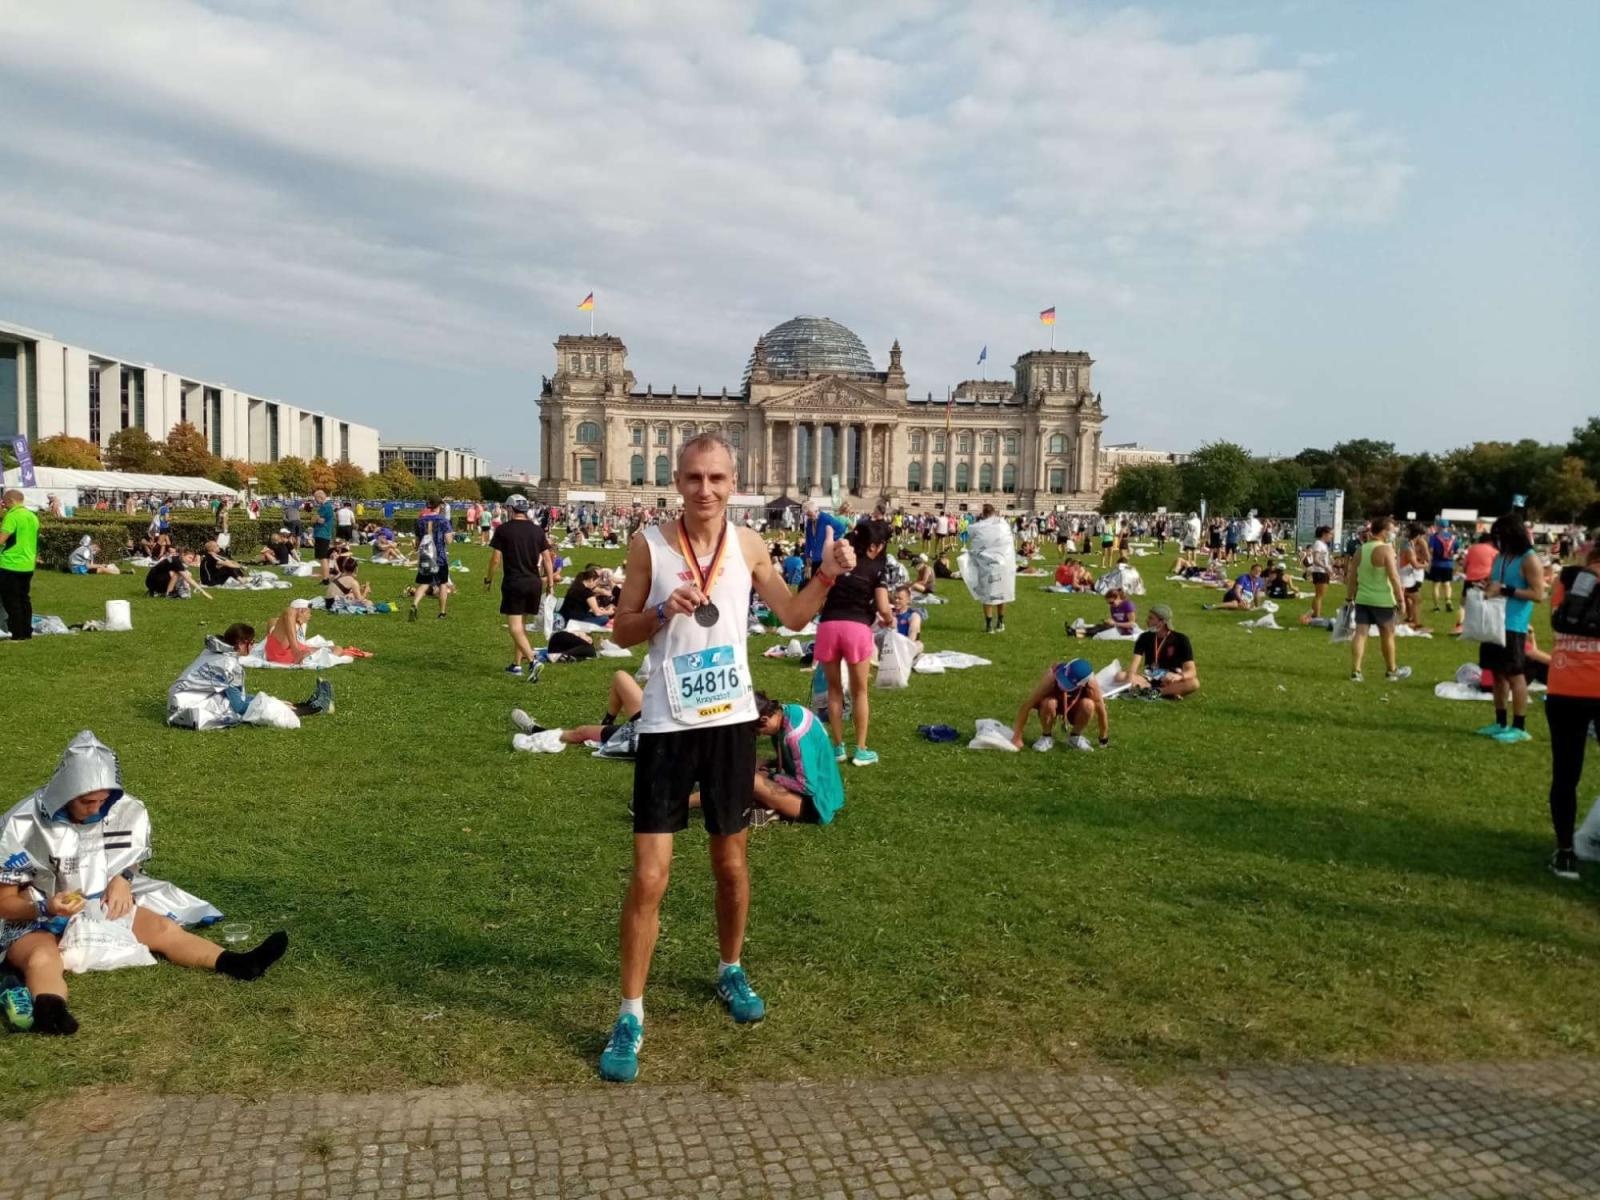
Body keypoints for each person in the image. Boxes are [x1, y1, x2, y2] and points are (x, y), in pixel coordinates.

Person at [598, 432, 856, 1085]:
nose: (705, 489)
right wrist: (661, 611)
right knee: (649, 878)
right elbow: (620, 628)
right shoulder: (650, 545)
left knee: (731, 866)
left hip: (731, 725)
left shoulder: (749, 545)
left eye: (716, 478)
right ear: (678, 482)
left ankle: (731, 968)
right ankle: (630, 1013)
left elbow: (792, 617)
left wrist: (827, 574)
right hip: (666, 725)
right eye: (694, 478)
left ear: (733, 483)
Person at [0, 731, 290, 1035]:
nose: (96, 810)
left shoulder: (122, 809)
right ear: (65, 794)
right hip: (35, 915)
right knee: (42, 957)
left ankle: (239, 964)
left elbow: (129, 857)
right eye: (87, 802)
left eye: (103, 801)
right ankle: (50, 1010)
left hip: (96, 904)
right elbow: (5, 904)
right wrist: (46, 907)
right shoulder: (21, 822)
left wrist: (123, 878)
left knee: (164, 929)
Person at [1543, 537, 1600, 879]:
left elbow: (1556, 621)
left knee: (1566, 775)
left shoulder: (1568, 580)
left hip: (1565, 683)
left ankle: (1565, 853)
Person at [815, 519, 893, 767]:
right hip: (856, 627)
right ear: (876, 545)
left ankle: (837, 747)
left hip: (829, 625)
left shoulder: (839, 559)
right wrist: (889, 619)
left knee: (834, 690)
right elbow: (883, 606)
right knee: (860, 691)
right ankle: (860, 749)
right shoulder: (877, 567)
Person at [168, 623, 332, 727]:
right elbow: (239, 706)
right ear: (241, 644)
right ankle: (315, 707)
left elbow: (229, 693)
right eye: (251, 642)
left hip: (179, 703)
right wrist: (272, 703)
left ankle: (305, 705)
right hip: (188, 711)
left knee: (258, 701)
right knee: (265, 708)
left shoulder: (212, 653)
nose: (253, 646)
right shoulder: (229, 666)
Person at [1475, 513, 1546, 744]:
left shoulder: (1529, 559)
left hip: (1513, 624)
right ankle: (1500, 722)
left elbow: (1538, 594)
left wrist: (1505, 590)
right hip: (1493, 622)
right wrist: (1486, 586)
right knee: (1497, 674)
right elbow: (1495, 582)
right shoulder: (1501, 556)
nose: (1497, 540)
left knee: (1515, 675)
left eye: (1500, 535)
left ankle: (1519, 726)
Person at [744, 692, 845, 824]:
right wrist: (768, 763)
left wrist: (773, 777)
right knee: (753, 770)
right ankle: (770, 807)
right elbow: (802, 760)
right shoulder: (790, 712)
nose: (759, 735)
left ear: (764, 720)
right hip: (829, 795)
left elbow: (807, 786)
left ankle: (773, 809)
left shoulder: (795, 736)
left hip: (817, 805)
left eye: (757, 731)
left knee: (747, 778)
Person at [484, 494, 554, 677]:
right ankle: (516, 665)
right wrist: (550, 583)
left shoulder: (504, 530)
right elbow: (547, 559)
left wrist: (488, 579)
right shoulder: (537, 530)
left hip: (515, 582)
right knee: (521, 626)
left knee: (514, 627)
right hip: (534, 583)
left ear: (510, 509)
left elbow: (495, 559)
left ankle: (532, 661)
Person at [1343, 516, 1411, 684]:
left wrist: (1349, 597)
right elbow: (1394, 577)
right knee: (1387, 635)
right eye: (1392, 531)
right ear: (1383, 531)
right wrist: (1401, 600)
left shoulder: (1361, 550)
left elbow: (1352, 577)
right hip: (1383, 600)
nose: (1394, 534)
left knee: (1360, 634)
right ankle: (1391, 670)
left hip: (1363, 599)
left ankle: (1356, 671)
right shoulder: (1386, 550)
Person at [511, 670, 643, 750]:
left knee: (581, 732)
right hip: (649, 718)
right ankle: (607, 722)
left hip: (648, 733)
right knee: (620, 676)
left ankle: (536, 730)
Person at [1010, 657, 1108, 752]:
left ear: (1082, 684)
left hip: (1075, 705)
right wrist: (1017, 736)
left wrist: (1103, 736)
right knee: (1049, 703)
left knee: (1089, 705)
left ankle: (1075, 737)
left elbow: (1101, 709)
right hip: (1052, 703)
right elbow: (1027, 705)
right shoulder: (1052, 676)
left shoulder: (1091, 685)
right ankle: (1046, 736)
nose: (1062, 684)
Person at [1121, 604, 1199, 698]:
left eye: (1151, 618)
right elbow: (1134, 664)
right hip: (1149, 678)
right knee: (1120, 676)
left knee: (1194, 683)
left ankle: (1158, 691)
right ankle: (1164, 692)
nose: (1147, 620)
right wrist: (1129, 680)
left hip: (1170, 679)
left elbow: (1191, 671)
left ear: (1162, 621)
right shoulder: (1144, 637)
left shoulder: (1181, 639)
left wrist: (1179, 676)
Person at [964, 503, 1017, 633]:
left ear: (983, 514)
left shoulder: (978, 526)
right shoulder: (1003, 524)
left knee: (987, 593)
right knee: (1001, 593)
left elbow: (966, 534)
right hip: (1004, 563)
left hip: (987, 564)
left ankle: (989, 625)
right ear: (994, 512)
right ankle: (1000, 622)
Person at [0, 490, 39, 640]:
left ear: (10, 501)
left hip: (10, 564)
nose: (4, 506)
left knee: (11, 601)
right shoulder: (32, 516)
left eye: (4, 503)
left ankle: (17, 634)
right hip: (27, 564)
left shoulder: (12, 516)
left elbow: (2, 540)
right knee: (24, 599)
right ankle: (26, 631)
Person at [409, 498, 453, 620]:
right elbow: (449, 540)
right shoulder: (443, 520)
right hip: (440, 557)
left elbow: (417, 543)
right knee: (443, 584)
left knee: (424, 583)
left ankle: (414, 604)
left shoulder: (420, 521)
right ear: (439, 506)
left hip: (425, 556)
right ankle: (442, 612)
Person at [801, 499, 849, 579]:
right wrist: (807, 555)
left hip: (825, 556)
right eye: (807, 515)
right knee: (814, 579)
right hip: (815, 556)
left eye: (810, 515)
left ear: (816, 511)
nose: (809, 517)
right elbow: (808, 539)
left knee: (824, 579)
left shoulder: (826, 518)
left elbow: (841, 528)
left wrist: (830, 539)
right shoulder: (809, 521)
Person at [265, 597, 317, 665]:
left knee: (328, 649)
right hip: (280, 652)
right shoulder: (289, 615)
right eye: (308, 612)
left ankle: (296, 653)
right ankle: (296, 652)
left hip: (289, 655)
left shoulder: (303, 625)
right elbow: (289, 613)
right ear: (301, 610)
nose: (310, 615)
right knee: (288, 612)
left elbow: (304, 646)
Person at [1427, 521, 1458, 613]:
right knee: (1447, 584)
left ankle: (1436, 607)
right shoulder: (1452, 537)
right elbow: (1456, 550)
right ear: (1447, 527)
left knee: (1436, 585)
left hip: (1436, 564)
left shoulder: (1434, 537)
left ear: (1439, 526)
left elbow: (1431, 550)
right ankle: (1448, 601)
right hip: (1448, 564)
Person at [1306, 525, 1334, 618]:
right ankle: (1317, 616)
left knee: (1319, 595)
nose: (1331, 536)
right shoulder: (1318, 544)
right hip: (1320, 572)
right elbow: (1316, 560)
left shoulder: (1323, 545)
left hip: (1323, 572)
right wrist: (1326, 567)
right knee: (1319, 596)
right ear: (1324, 534)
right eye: (1330, 534)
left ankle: (1314, 614)